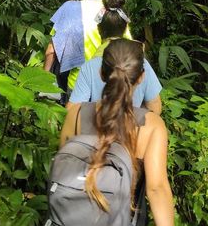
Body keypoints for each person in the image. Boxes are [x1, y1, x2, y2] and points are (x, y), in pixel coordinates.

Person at [59, 39, 175, 226]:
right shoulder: (152, 126)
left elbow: (65, 166)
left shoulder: (76, 115)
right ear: (141, 77)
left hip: (72, 217)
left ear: (101, 73)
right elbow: (156, 190)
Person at [68, 0, 162, 114]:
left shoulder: (90, 67)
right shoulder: (141, 63)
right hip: (133, 130)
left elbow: (72, 110)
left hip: (99, 129)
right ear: (125, 28)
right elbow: (155, 108)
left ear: (99, 29)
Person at [45, 0, 114, 93]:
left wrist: (42, 83)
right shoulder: (113, 12)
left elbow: (51, 50)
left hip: (77, 82)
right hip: (106, 82)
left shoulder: (69, 8)